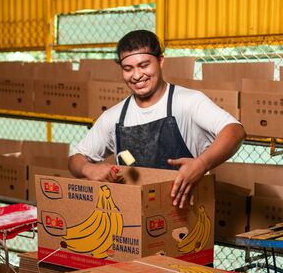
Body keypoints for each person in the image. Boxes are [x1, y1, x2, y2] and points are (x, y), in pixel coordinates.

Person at [69, 29, 246, 208]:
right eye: (128, 69)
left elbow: (235, 131)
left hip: (185, 216)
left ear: (160, 61)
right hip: (131, 217)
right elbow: (75, 158)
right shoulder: (113, 117)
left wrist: (201, 164)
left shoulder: (188, 102)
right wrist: (88, 168)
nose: (137, 75)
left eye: (144, 65)